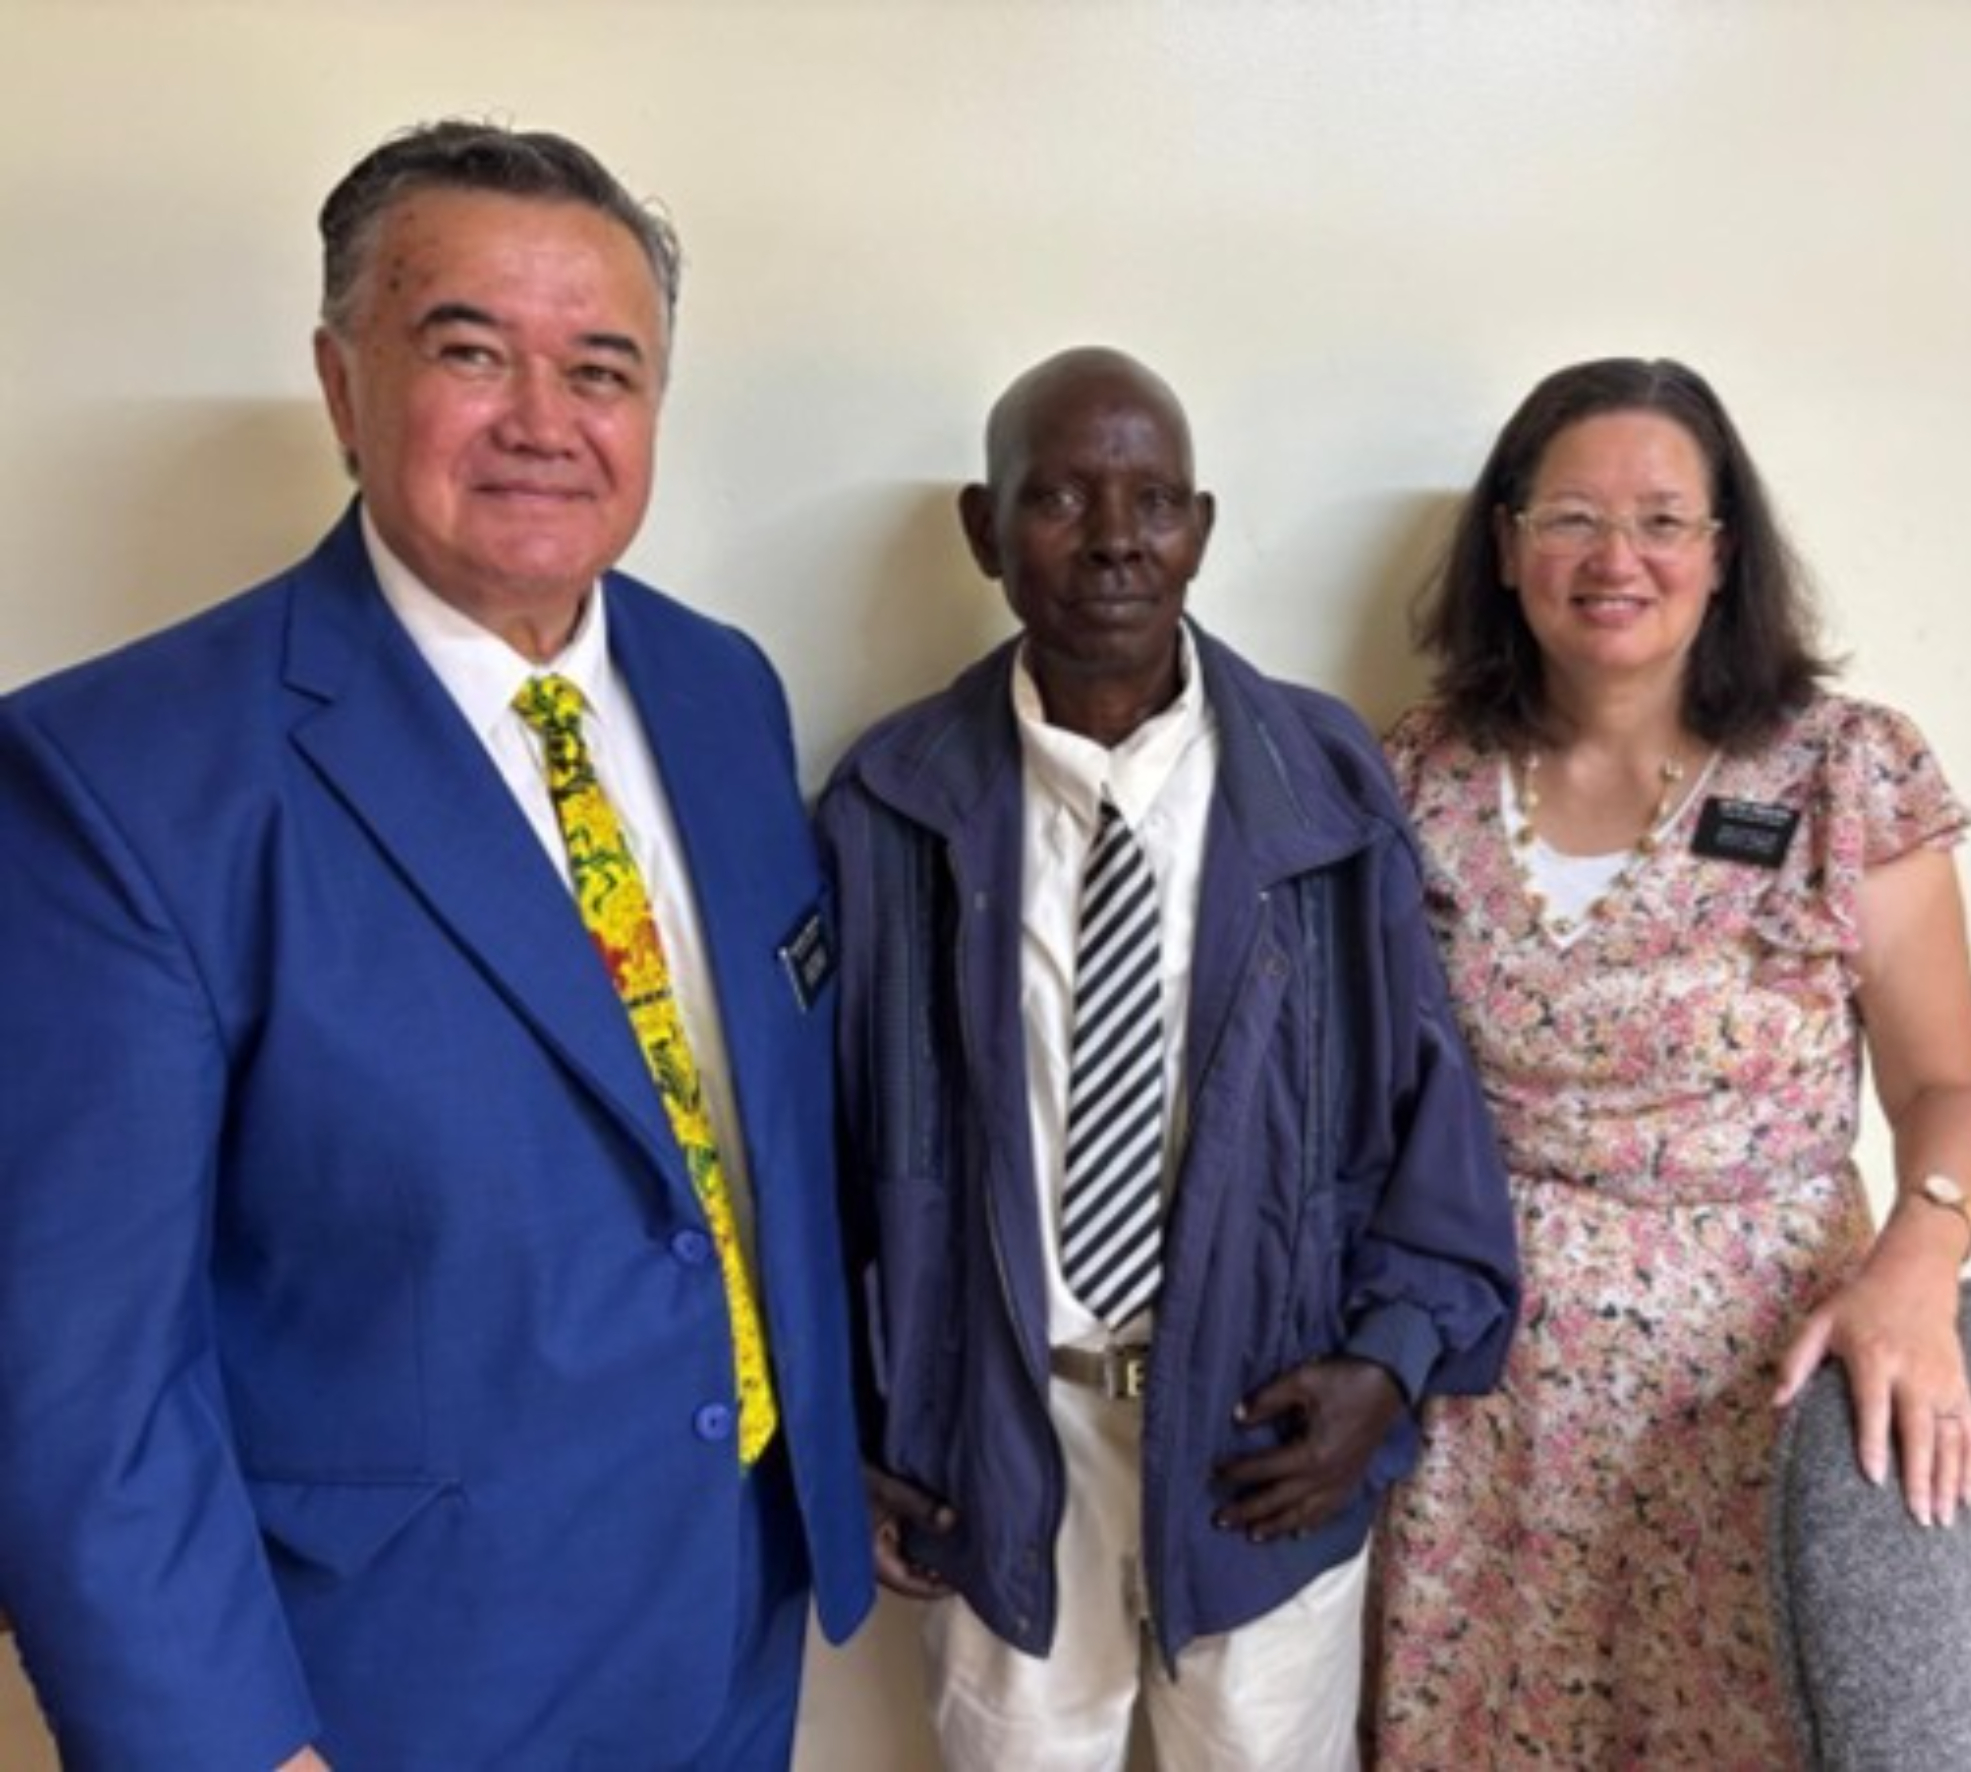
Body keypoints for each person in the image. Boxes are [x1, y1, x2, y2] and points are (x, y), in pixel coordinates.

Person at [0, 121, 873, 1769]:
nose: (544, 421)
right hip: (390, 1688)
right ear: (343, 385)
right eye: (471, 353)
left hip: (729, 1623)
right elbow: (79, 1383)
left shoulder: (722, 689)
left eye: (602, 371)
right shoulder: (117, 779)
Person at [818, 345, 1519, 1771]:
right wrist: (844, 1428)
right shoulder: (890, 804)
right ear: (985, 529)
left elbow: (1425, 1112)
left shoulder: (1323, 782)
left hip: (1263, 1445)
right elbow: (823, 1147)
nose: (1114, 541)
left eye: (1153, 502)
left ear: (1200, 528)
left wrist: (1387, 1366)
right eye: (1059, 498)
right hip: (1000, 1450)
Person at [1363, 356, 1971, 1765]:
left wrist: (1920, 1270)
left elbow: (1948, 1088)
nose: (1618, 559)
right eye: (1572, 518)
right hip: (1486, 1414)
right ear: (1507, 546)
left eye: (1663, 521)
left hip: (1755, 1391)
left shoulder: (1842, 772)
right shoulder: (1417, 776)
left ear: (1724, 554)